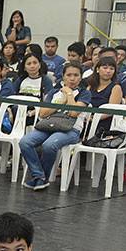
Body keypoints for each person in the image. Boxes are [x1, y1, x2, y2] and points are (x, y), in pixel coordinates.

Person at [20, 61, 88, 190]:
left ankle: (41, 178)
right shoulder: (53, 92)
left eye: (76, 75)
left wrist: (69, 94)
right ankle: (39, 176)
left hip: (71, 129)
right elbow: (43, 113)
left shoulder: (84, 93)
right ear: (63, 77)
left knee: (49, 145)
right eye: (69, 75)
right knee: (25, 142)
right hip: (48, 126)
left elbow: (73, 113)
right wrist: (62, 102)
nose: (72, 78)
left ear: (80, 77)